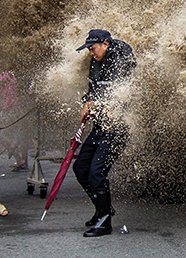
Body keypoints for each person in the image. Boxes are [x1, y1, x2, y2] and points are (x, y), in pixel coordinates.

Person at [72, 29, 136, 237]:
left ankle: (104, 223)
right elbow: (92, 91)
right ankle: (103, 210)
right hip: (100, 127)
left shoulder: (119, 61)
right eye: (89, 50)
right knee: (81, 168)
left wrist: (94, 103)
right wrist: (86, 103)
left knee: (96, 174)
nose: (91, 53)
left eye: (93, 48)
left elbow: (116, 93)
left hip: (116, 128)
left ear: (105, 44)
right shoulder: (96, 61)